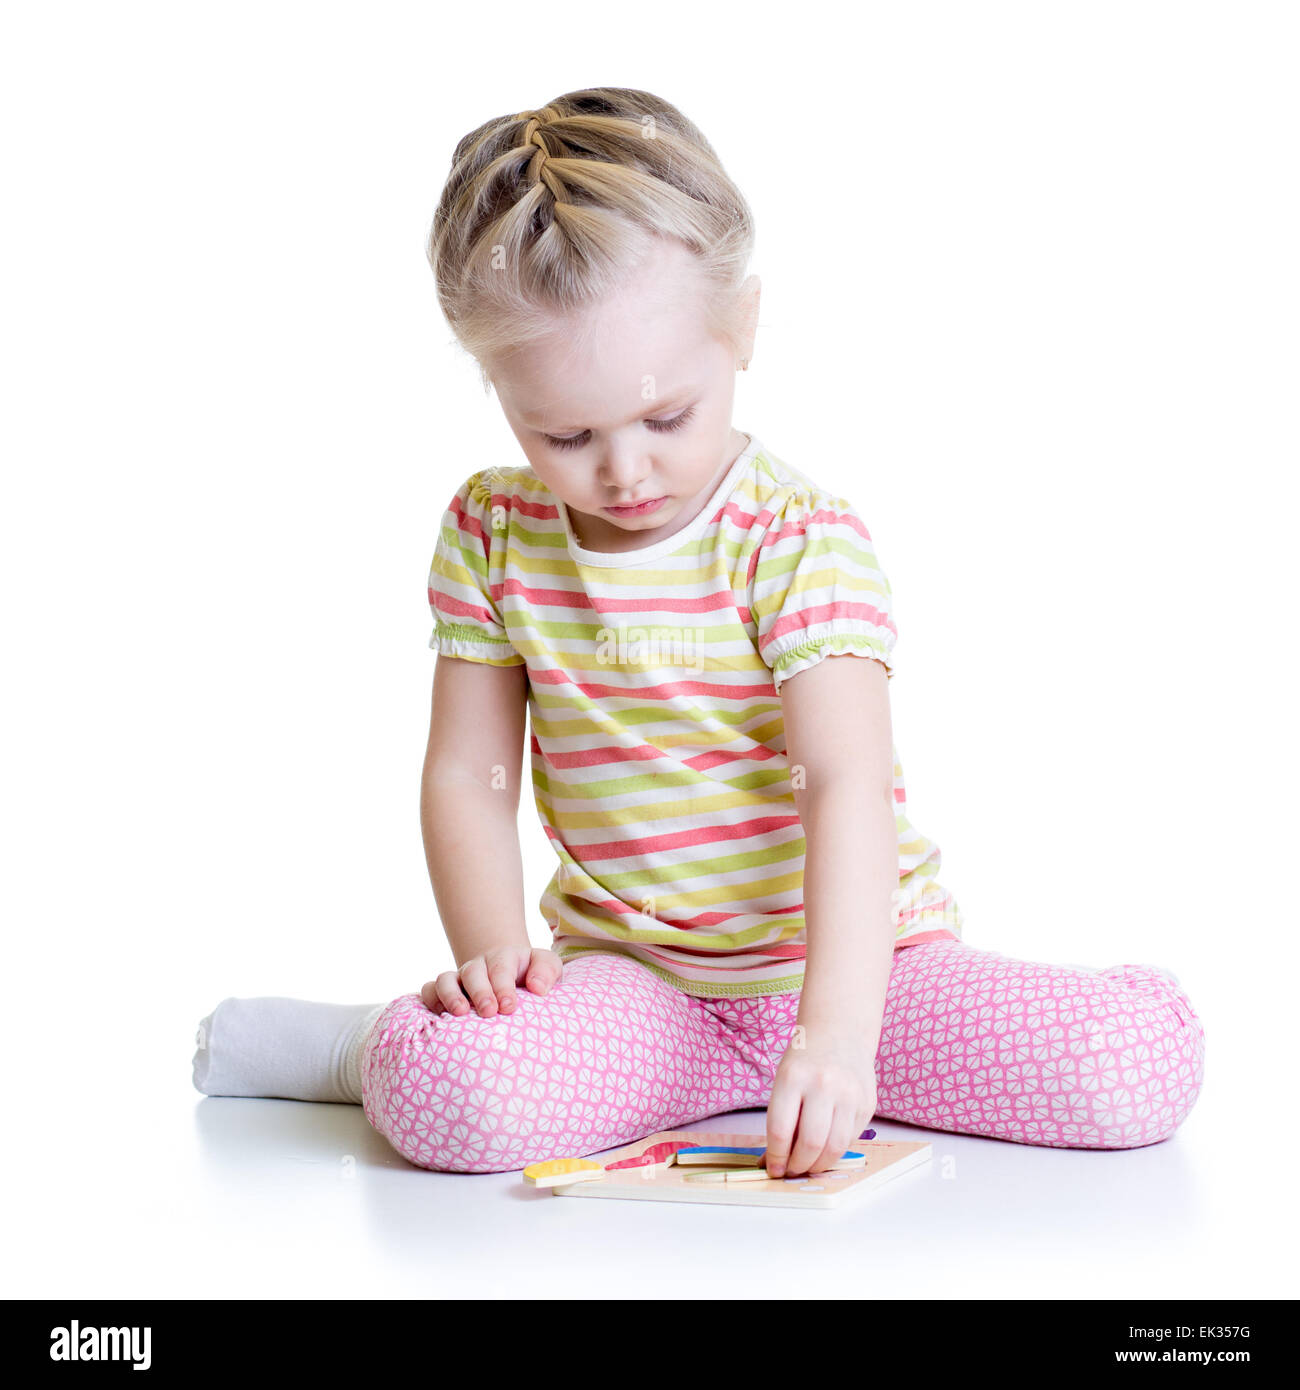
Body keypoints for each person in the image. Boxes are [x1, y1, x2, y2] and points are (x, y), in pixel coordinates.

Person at [192, 88, 1205, 1176]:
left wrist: (834, 1036)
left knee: (1129, 1068)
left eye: (665, 417)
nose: (623, 471)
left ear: (744, 327)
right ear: (496, 383)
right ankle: (365, 1042)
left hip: (868, 978)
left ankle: (805, 1058)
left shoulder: (795, 538)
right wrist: (499, 975)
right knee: (457, 1099)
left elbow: (841, 785)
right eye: (565, 432)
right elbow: (466, 773)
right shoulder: (494, 531)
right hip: (642, 994)